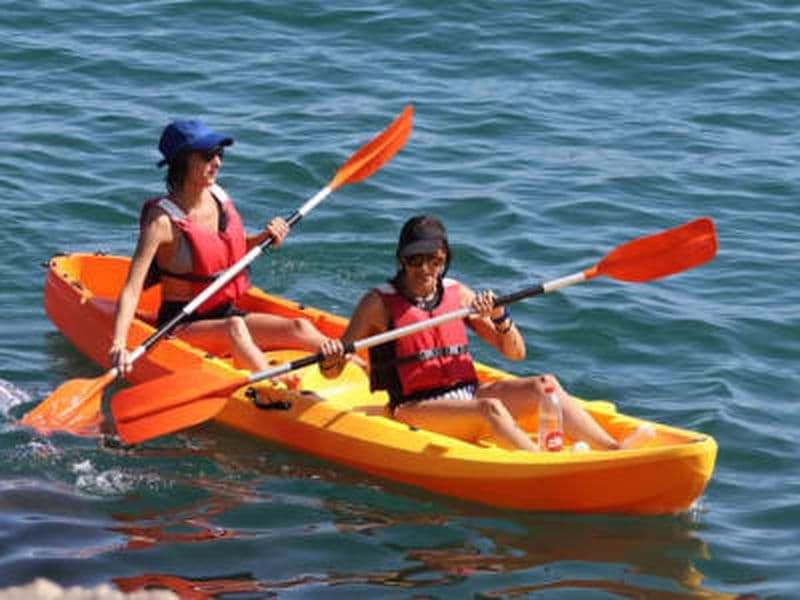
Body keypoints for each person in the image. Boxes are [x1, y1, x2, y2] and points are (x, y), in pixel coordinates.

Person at [318, 215, 649, 452]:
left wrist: (499, 315)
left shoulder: (457, 293)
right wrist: (333, 356)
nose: (424, 270)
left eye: (433, 260)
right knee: (490, 409)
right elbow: (331, 372)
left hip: (468, 394)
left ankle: (613, 450)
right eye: (414, 260)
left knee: (543, 384)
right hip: (414, 406)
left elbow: (516, 353)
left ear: (444, 260)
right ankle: (540, 467)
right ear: (401, 260)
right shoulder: (378, 303)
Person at [109, 119, 332, 376]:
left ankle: (360, 367)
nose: (217, 163)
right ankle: (277, 391)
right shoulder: (161, 222)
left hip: (226, 312)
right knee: (233, 327)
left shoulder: (217, 196)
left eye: (219, 154)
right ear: (182, 162)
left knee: (300, 328)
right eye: (207, 156)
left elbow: (229, 252)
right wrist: (119, 343)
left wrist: (263, 238)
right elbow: (132, 287)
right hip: (181, 324)